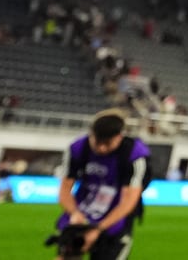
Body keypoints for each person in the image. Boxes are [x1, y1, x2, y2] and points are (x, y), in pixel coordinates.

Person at [51, 108, 151, 259]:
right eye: (97, 142)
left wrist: (98, 229)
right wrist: (75, 213)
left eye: (107, 143)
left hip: (116, 217)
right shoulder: (78, 148)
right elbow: (64, 189)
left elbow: (128, 201)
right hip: (82, 210)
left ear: (119, 137)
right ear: (91, 134)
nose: (101, 148)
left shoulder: (134, 155)